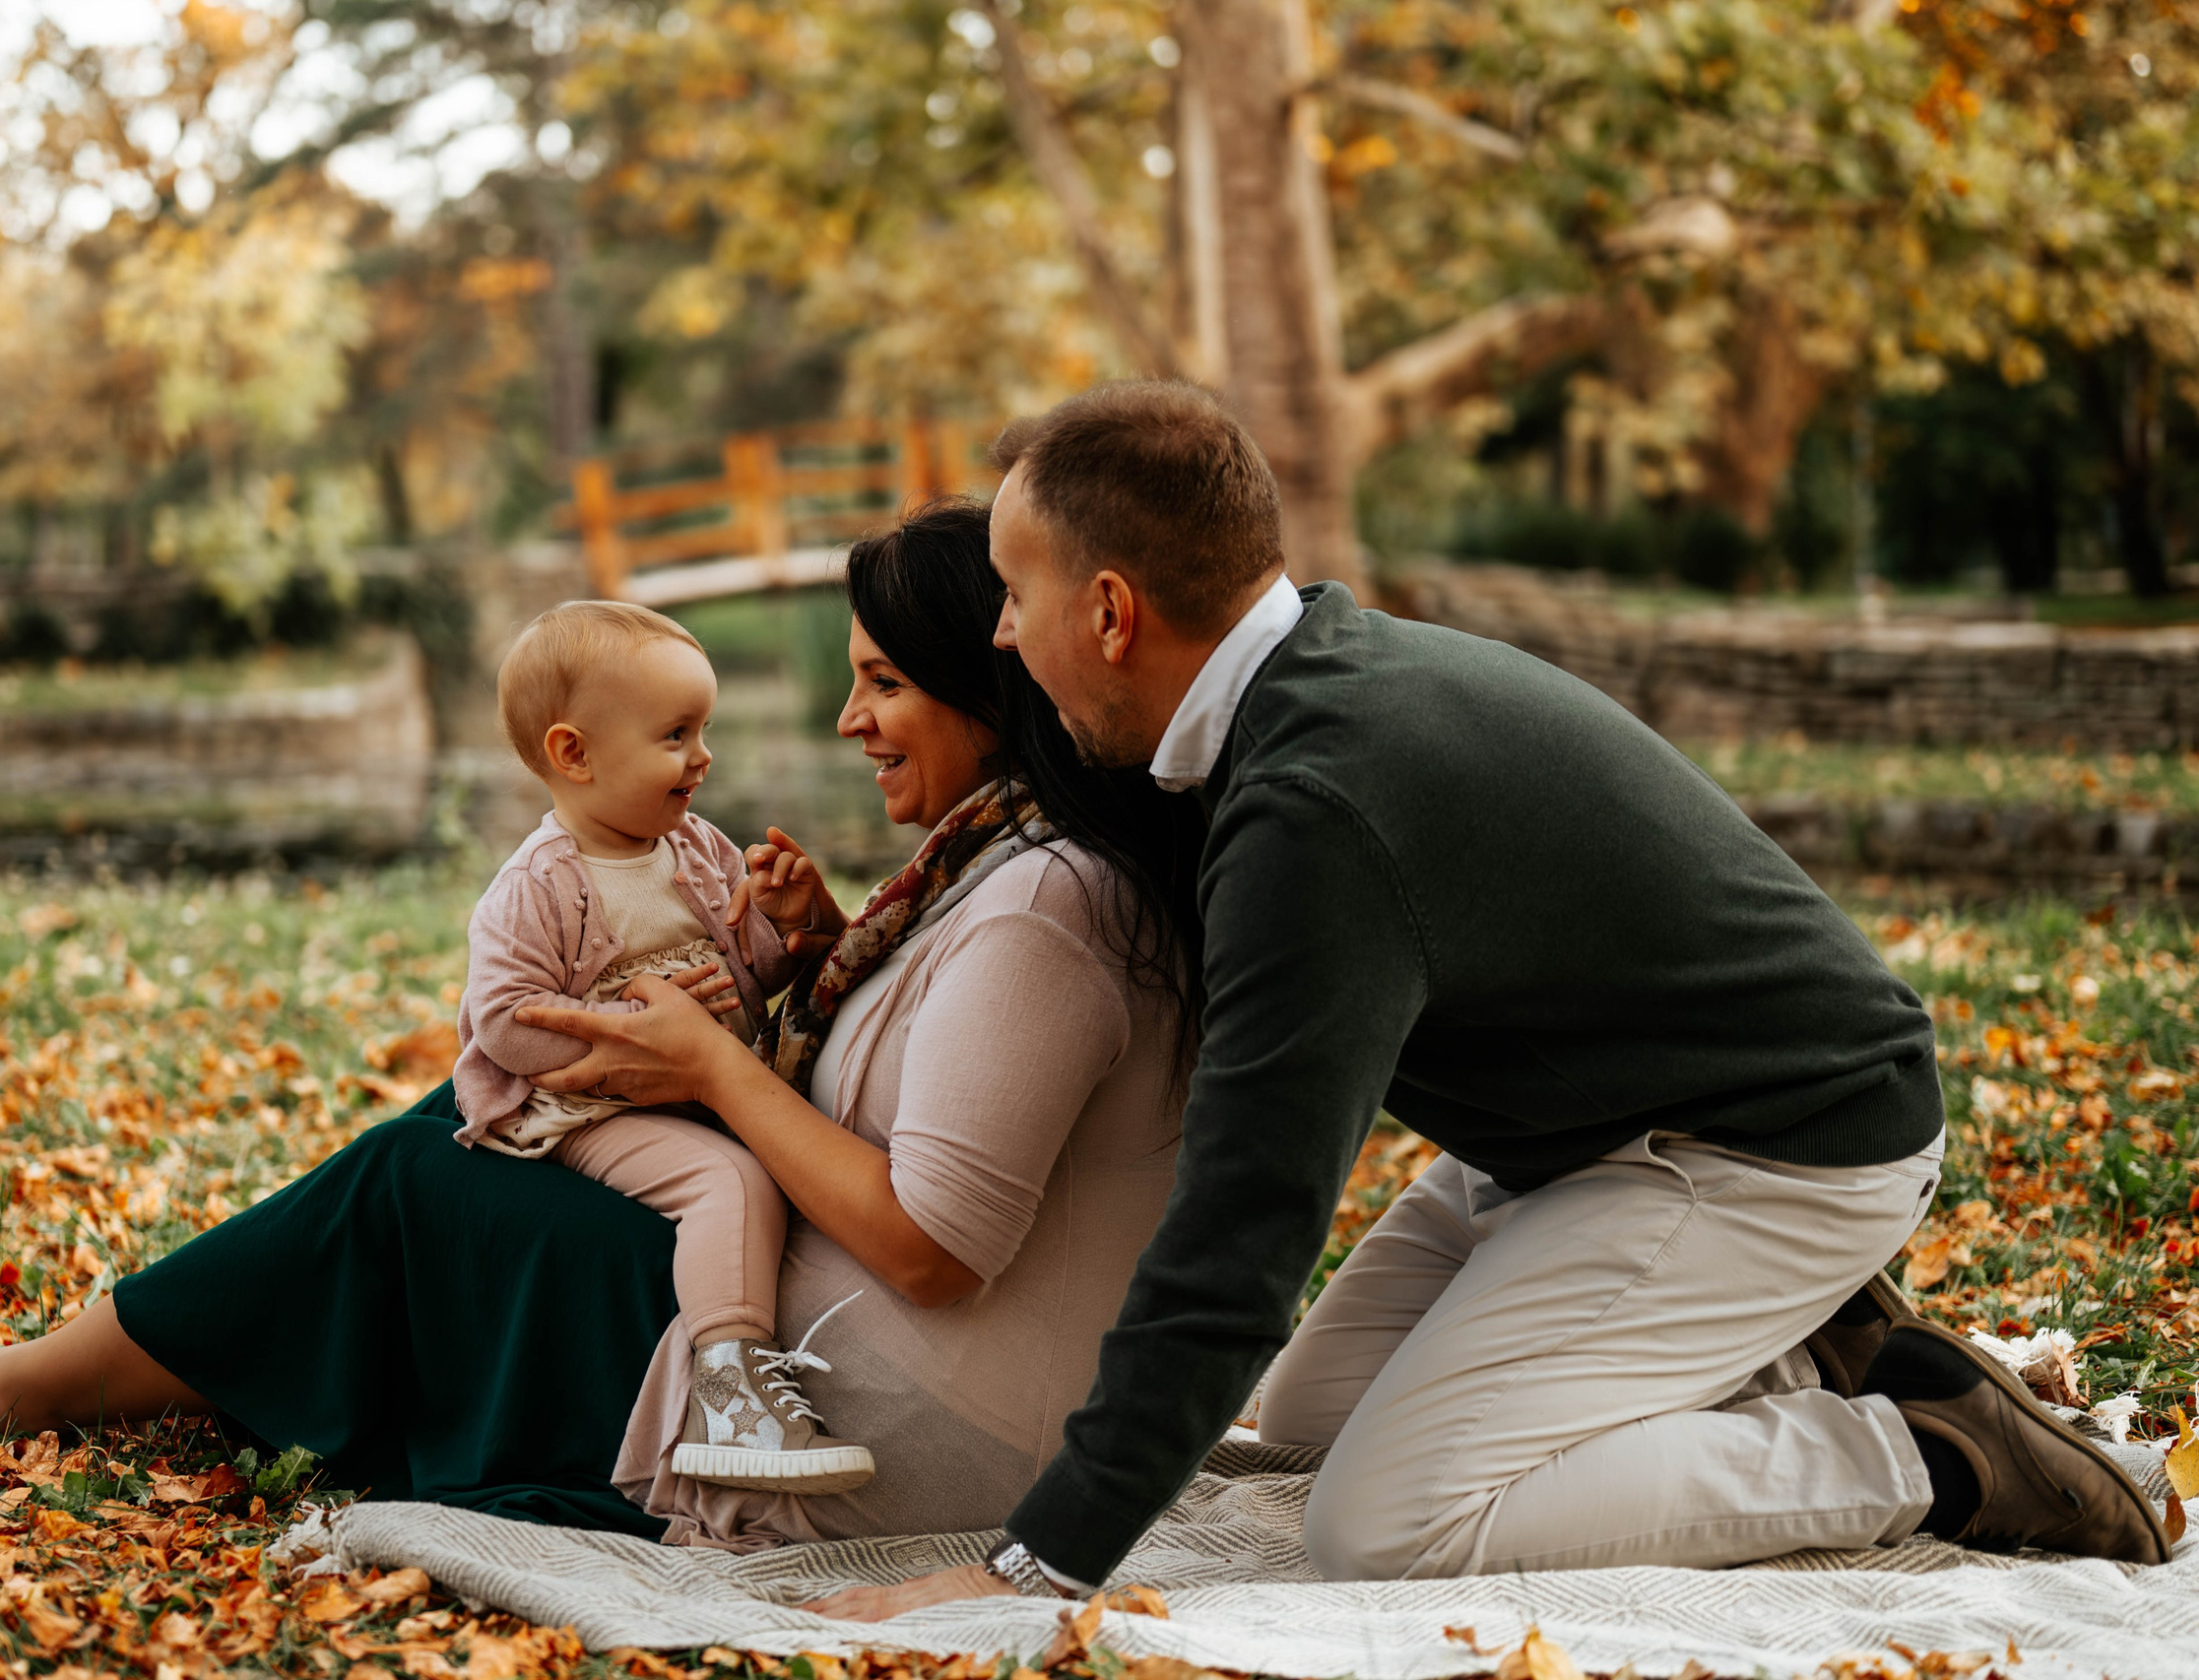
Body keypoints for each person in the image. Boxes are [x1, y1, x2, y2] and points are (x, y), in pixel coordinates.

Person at [811, 382, 2164, 1621]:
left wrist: (1030, 1565)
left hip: (1777, 1145)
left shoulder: (1313, 807)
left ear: (1110, 613)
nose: (1000, 633)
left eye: (1012, 593)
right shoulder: (1296, 685)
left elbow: (1245, 1229)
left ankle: (1916, 1446)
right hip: (1578, 1137)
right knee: (1314, 1419)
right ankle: (1784, 1348)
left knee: (1387, 1519)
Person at [0, 501, 1209, 1554]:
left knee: (413, 1175)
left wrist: (715, 1064)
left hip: (873, 1408)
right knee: (466, 1123)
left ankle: (7, 1390)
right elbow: (922, 1086)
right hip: (834, 1319)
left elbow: (932, 1248)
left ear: (993, 692)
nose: (850, 719)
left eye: (885, 682)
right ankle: (67, 1372)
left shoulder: (1043, 904)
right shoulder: (987, 866)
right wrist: (813, 946)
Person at [450, 598, 868, 1495]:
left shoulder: (697, 848)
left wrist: (784, 927)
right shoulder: (536, 885)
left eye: (703, 729)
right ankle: (733, 1404)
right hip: (590, 1108)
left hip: (702, 1085)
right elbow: (504, 1022)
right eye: (676, 734)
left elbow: (748, 979)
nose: (702, 755)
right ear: (574, 754)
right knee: (730, 1180)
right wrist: (631, 1026)